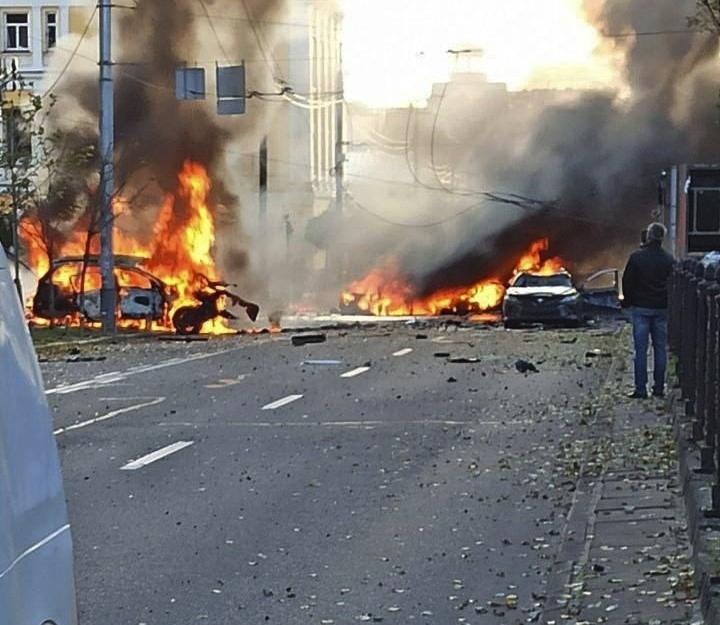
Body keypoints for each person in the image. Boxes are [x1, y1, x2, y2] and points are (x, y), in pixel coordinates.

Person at [621, 222, 675, 398]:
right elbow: (674, 284)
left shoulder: (637, 257)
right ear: (662, 238)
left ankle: (640, 389)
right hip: (661, 309)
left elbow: (627, 281)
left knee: (641, 350)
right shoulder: (669, 259)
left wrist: (628, 301)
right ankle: (659, 388)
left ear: (649, 236)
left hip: (641, 308)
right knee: (660, 349)